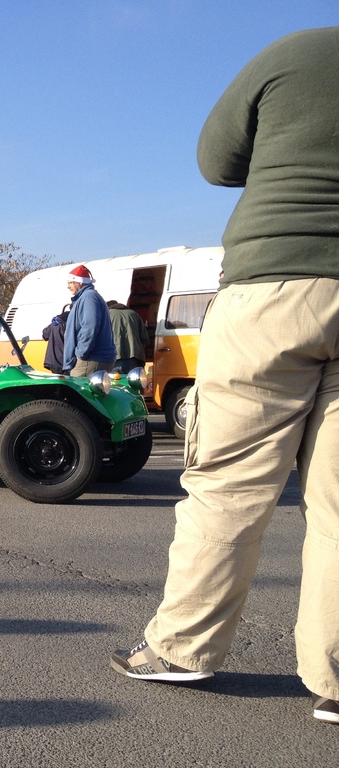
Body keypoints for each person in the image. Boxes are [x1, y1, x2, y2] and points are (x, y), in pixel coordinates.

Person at [110, 27, 339, 725]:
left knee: (230, 484)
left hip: (275, 286)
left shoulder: (295, 52)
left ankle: (183, 648)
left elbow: (217, 162)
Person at [61, 265, 115, 377]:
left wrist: (80, 353)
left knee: (76, 387)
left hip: (90, 360)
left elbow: (90, 327)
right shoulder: (89, 297)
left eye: (71, 283)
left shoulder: (88, 298)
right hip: (93, 359)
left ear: (80, 282)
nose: (68, 286)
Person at [106, 300, 148, 373]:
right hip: (134, 358)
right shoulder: (134, 314)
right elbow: (144, 338)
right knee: (133, 379)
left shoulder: (107, 315)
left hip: (113, 358)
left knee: (114, 380)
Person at [41, 306, 71, 374]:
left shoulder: (55, 323)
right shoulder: (70, 322)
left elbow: (45, 335)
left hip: (52, 361)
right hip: (63, 362)